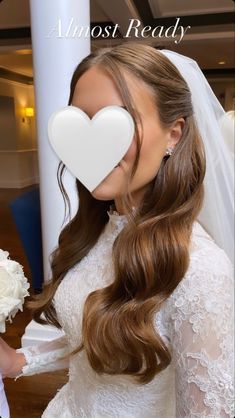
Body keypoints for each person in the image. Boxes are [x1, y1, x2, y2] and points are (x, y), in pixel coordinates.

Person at [0, 42, 234, 418]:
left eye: (118, 121)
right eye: (80, 122)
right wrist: (17, 361)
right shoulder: (95, 231)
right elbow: (95, 330)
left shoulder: (201, 271)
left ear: (173, 135)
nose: (94, 144)